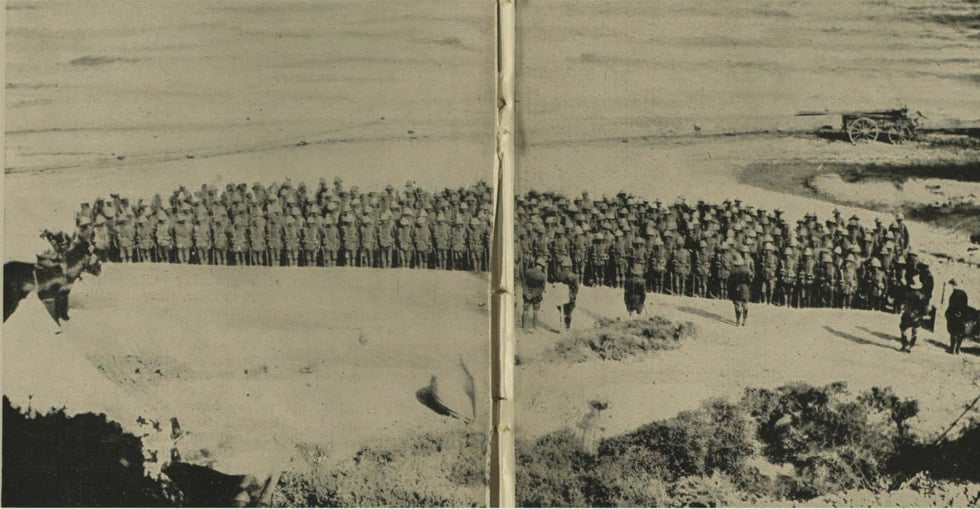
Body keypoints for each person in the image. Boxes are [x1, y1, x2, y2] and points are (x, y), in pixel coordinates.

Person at [899, 275, 930, 353]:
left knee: (903, 328)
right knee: (915, 331)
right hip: (918, 316)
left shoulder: (909, 295)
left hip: (908, 315)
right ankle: (910, 346)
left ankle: (905, 344)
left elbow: (906, 306)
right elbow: (925, 308)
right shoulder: (922, 296)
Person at [945, 279, 975, 355]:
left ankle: (952, 348)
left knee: (953, 332)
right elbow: (964, 305)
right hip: (962, 315)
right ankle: (957, 349)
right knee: (960, 332)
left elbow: (952, 305)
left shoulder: (955, 293)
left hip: (954, 315)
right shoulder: (963, 293)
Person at [554, 256, 579, 329]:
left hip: (560, 296)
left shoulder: (558, 275)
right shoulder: (574, 276)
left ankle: (561, 326)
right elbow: (576, 288)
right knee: (569, 313)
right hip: (570, 296)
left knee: (561, 311)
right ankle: (567, 327)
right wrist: (573, 295)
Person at [522, 258, 548, 329]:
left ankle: (524, 327)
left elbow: (524, 284)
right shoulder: (542, 276)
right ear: (542, 266)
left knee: (525, 310)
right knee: (535, 310)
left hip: (527, 293)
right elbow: (542, 288)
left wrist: (526, 293)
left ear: (535, 264)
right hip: (536, 295)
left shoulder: (527, 272)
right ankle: (534, 327)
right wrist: (534, 294)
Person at [728, 255, 753, 326]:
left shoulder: (733, 270)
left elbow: (730, 282)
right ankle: (744, 320)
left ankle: (738, 320)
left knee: (737, 304)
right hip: (745, 289)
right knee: (745, 304)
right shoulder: (747, 269)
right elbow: (750, 280)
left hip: (736, 289)